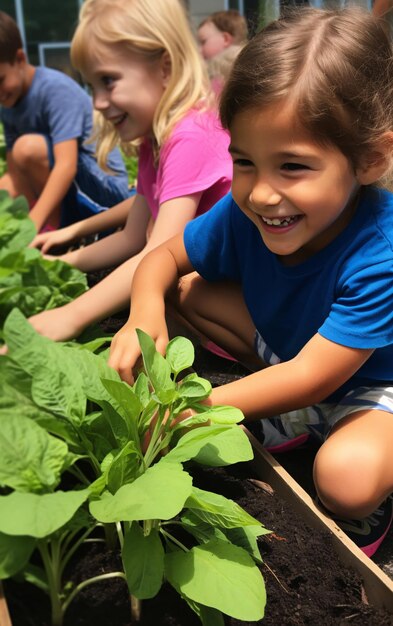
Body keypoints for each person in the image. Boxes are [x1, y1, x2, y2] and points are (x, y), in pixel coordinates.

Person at [108, 7, 393, 558]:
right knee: (180, 289)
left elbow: (314, 376)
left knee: (344, 481)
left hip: (367, 385)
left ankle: (357, 472)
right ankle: (287, 415)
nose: (262, 193)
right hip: (292, 353)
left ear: (369, 158)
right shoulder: (245, 212)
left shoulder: (380, 253)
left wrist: (196, 409)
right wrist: (142, 312)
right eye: (244, 162)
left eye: (293, 166)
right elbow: (159, 259)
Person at [26, 0, 232, 341]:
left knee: (171, 284)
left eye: (109, 81)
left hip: (231, 302)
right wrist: (61, 259)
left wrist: (70, 316)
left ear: (164, 67)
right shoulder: (157, 138)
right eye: (92, 86)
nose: (98, 102)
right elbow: (131, 235)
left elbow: (156, 254)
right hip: (212, 295)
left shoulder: (191, 136)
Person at [0, 11, 129, 232]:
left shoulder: (54, 89)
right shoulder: (8, 104)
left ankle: (53, 231)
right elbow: (14, 174)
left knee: (28, 148)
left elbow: (66, 166)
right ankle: (48, 228)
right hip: (72, 192)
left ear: (20, 59)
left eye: (0, 80)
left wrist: (31, 225)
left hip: (107, 194)